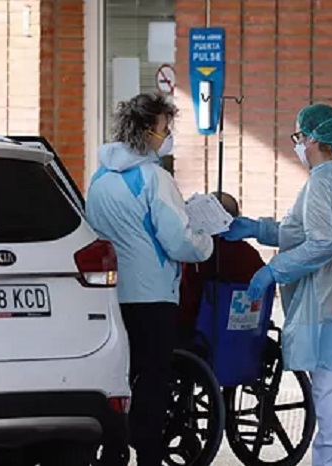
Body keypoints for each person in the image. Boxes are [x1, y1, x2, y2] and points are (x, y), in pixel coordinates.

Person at [222, 103, 332, 466]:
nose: (297, 145)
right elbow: (308, 230)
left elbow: (322, 241)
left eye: (299, 137)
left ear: (312, 139)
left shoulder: (323, 180)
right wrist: (259, 228)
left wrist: (274, 270)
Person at [85, 93, 214, 466]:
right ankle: (149, 454)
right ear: (146, 131)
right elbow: (178, 239)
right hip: (152, 295)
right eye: (164, 128)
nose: (168, 135)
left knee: (117, 376)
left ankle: (112, 451)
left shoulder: (100, 177)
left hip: (110, 294)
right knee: (153, 377)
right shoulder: (155, 178)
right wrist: (205, 241)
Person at [178, 192, 266, 333]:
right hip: (247, 338)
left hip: (201, 335)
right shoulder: (251, 255)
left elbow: (187, 304)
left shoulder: (198, 257)